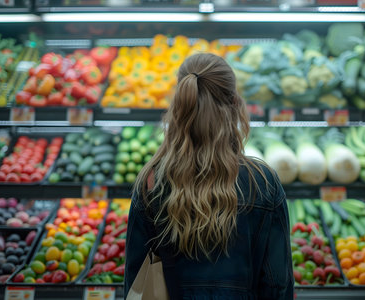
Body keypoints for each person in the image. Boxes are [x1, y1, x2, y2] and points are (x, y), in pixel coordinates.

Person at [124, 53, 294, 299]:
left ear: (180, 105)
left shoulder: (152, 183)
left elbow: (135, 283)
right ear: (235, 104)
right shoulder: (263, 183)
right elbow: (278, 286)